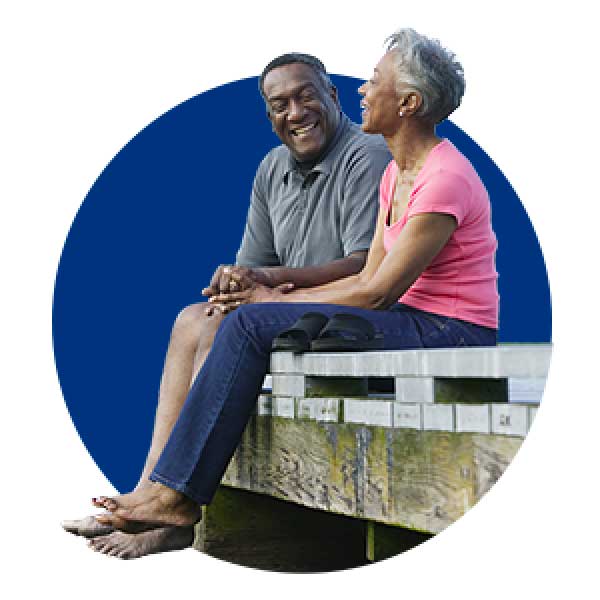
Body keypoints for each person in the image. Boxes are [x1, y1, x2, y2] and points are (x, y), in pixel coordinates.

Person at [74, 27, 500, 552]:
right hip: (409, 319)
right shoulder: (400, 174)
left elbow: (376, 292)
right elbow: (368, 281)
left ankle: (178, 499)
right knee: (223, 318)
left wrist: (271, 301)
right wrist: (259, 293)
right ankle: (162, 492)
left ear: (409, 102)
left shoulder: (443, 177)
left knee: (251, 323)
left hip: (449, 331)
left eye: (374, 80)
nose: (365, 90)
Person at [61, 53, 391, 558]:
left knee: (225, 331)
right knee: (195, 317)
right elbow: (254, 263)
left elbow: (367, 266)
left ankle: (176, 502)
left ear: (332, 95)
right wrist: (236, 282)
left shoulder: (364, 154)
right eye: (280, 104)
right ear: (269, 116)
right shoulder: (271, 167)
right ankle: (152, 487)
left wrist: (269, 281)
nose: (296, 111)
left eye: (306, 95)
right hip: (287, 309)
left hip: (344, 312)